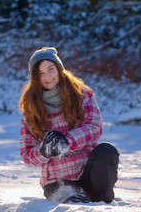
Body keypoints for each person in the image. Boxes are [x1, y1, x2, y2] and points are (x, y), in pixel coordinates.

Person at [19, 47, 119, 204]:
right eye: (40, 73)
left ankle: (101, 201)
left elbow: (94, 127)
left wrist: (67, 141)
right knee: (76, 205)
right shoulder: (30, 111)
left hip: (89, 174)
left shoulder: (82, 95)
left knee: (107, 151)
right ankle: (79, 201)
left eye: (51, 69)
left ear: (59, 69)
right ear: (35, 78)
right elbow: (27, 155)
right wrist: (43, 152)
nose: (47, 77)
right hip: (57, 181)